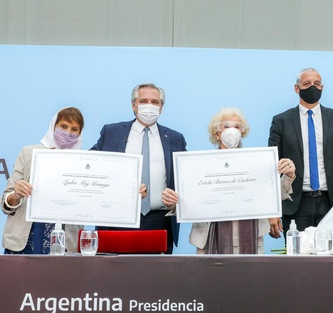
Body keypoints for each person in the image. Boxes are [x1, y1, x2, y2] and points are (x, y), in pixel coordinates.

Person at [162, 107, 296, 254]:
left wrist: (288, 175)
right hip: (208, 241)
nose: (232, 131)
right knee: (211, 278)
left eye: (237, 127)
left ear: (242, 132)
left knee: (250, 277)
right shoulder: (199, 165)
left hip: (252, 238)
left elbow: (273, 195)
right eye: (226, 126)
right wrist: (173, 202)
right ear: (217, 133)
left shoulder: (257, 162)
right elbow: (187, 201)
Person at [90, 83, 187, 254]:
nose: (149, 106)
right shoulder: (111, 133)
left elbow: (186, 179)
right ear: (133, 105)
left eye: (155, 102)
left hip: (159, 221)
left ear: (161, 107)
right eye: (144, 101)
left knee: (155, 277)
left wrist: (177, 197)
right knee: (115, 276)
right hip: (117, 220)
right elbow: (92, 168)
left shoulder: (175, 138)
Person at [268, 67, 333, 235]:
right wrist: (271, 209)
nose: (312, 87)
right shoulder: (281, 121)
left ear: (322, 88)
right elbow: (273, 166)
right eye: (307, 83)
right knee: (297, 258)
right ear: (297, 88)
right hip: (296, 203)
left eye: (317, 83)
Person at [1, 107, 85, 254]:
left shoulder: (84, 163)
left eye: (74, 129)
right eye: (63, 126)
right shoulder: (29, 153)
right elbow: (5, 203)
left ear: (80, 133)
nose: (68, 133)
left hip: (66, 241)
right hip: (27, 236)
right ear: (54, 126)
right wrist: (16, 195)